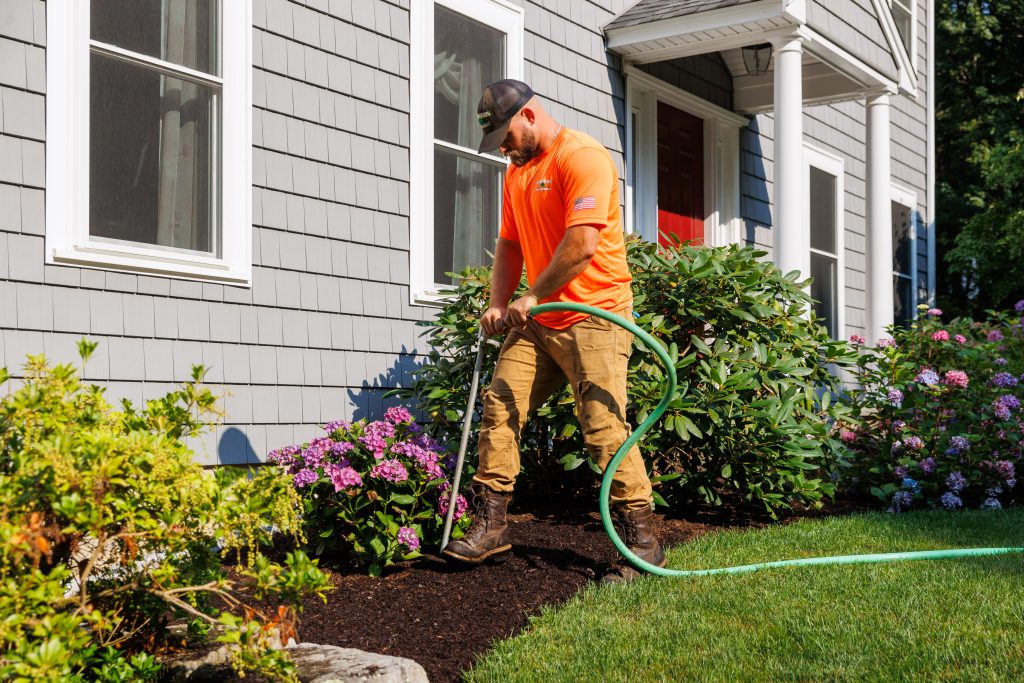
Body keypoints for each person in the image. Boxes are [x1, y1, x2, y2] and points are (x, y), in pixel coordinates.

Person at [441, 79, 666, 583]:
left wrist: (533, 295)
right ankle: (493, 527)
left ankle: (644, 542)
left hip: (595, 316)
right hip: (542, 322)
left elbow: (583, 243)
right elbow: (509, 246)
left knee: (603, 430)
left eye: (505, 134)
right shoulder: (517, 174)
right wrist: (499, 303)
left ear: (529, 115)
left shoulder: (581, 156)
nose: (501, 147)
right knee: (501, 404)